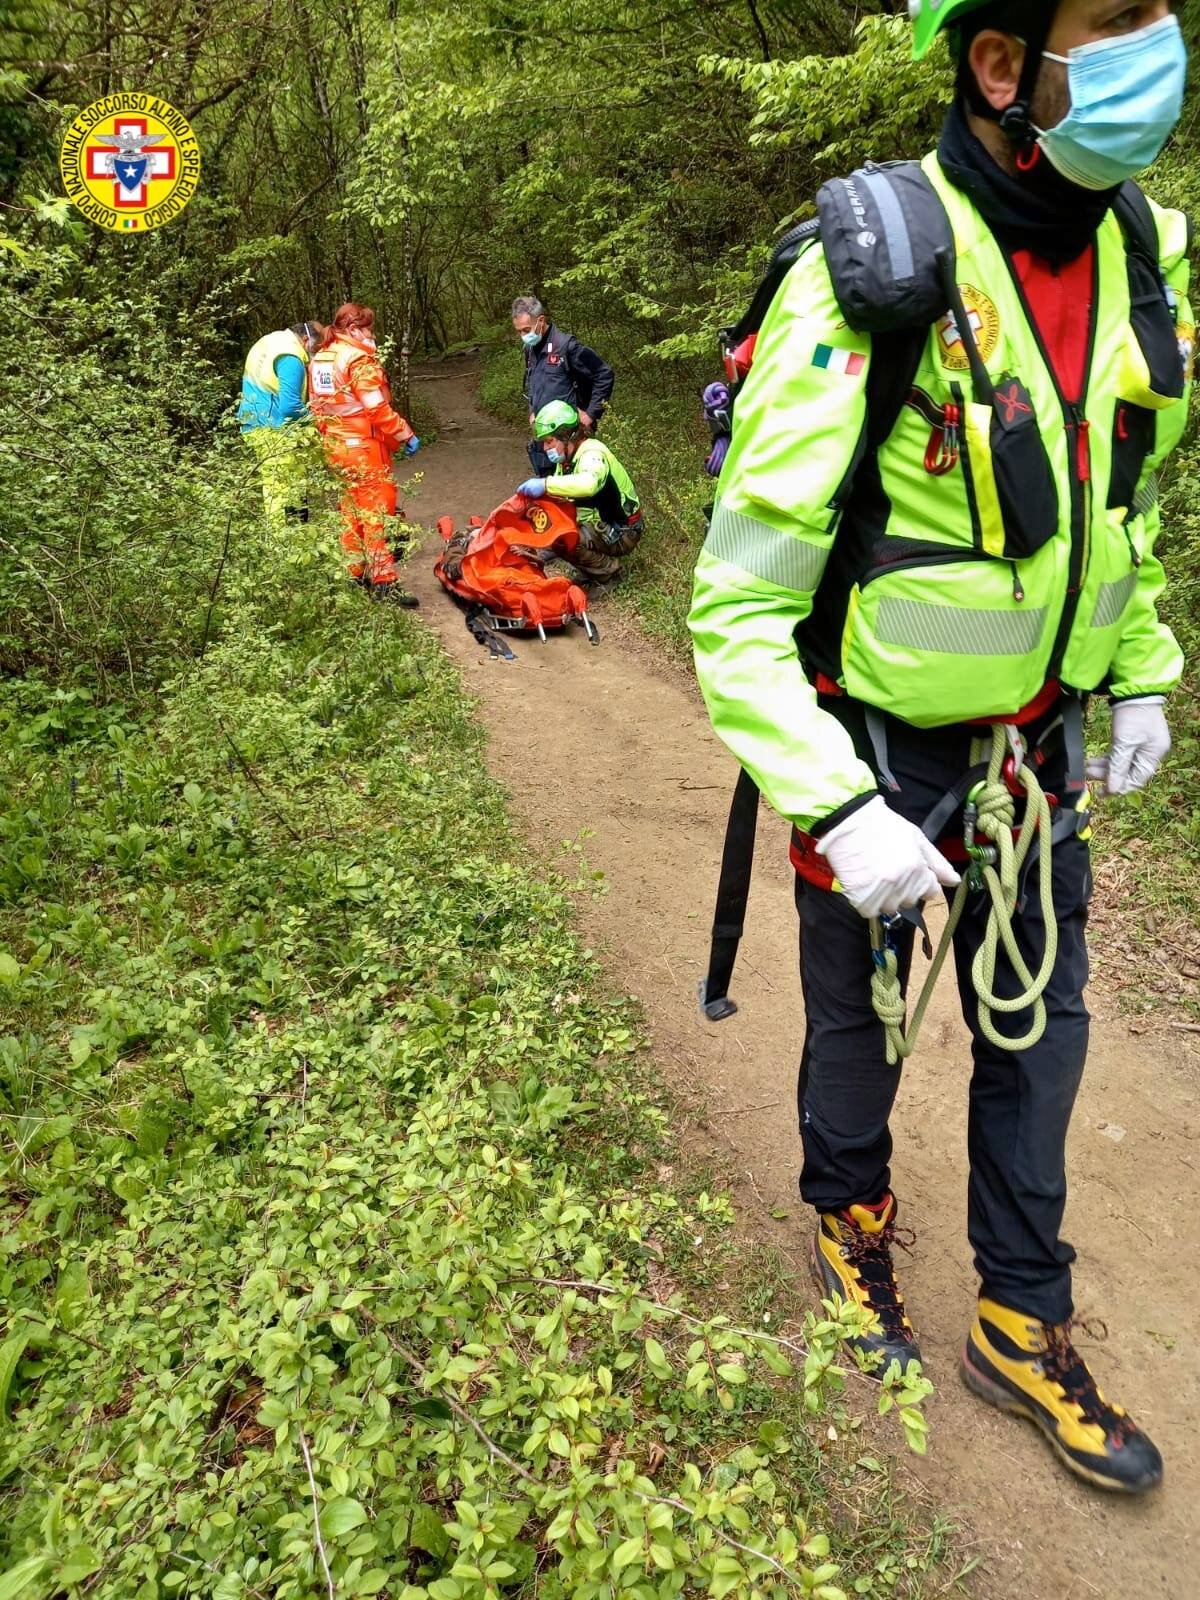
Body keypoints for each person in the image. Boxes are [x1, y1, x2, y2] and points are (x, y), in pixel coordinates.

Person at [689, 0, 1191, 1495]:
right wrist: (840, 808)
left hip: (1042, 761)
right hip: (879, 761)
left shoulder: (1143, 255)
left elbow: (1119, 508)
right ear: (999, 64)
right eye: (1117, 21)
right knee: (864, 1030)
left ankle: (1020, 1318)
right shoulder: (875, 270)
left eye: (1165, 15)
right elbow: (734, 608)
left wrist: (1144, 668)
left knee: (1039, 1040)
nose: (1157, 50)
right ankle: (850, 1234)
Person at [308, 302, 421, 605]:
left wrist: (329, 439)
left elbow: (316, 408)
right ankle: (385, 581)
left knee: (350, 511)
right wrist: (405, 433)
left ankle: (354, 574)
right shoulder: (358, 359)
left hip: (335, 446)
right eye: (369, 328)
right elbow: (376, 408)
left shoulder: (321, 358)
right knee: (376, 513)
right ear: (355, 329)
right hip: (363, 447)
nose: (372, 335)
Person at [517, 400, 643, 582]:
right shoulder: (568, 460)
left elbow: (588, 484)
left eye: (549, 441)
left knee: (565, 539)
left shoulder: (592, 454)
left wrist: (545, 484)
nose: (545, 448)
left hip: (623, 530)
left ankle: (610, 573)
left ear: (566, 436)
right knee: (554, 529)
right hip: (601, 522)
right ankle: (590, 568)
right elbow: (560, 501)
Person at [511, 296, 615, 475]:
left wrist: (590, 414)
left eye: (526, 330)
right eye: (519, 331)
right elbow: (533, 383)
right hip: (545, 436)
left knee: (574, 493)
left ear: (541, 321)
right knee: (548, 491)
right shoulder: (530, 350)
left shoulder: (567, 347)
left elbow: (604, 374)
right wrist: (532, 411)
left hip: (571, 437)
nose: (523, 336)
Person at [239, 320, 325, 532]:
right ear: (306, 340)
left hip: (253, 423)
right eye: (316, 348)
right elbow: (290, 406)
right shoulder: (291, 357)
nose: (315, 354)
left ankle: (287, 542)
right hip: (275, 429)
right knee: (284, 489)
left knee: (275, 486)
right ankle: (286, 545)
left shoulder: (271, 340)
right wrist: (317, 423)